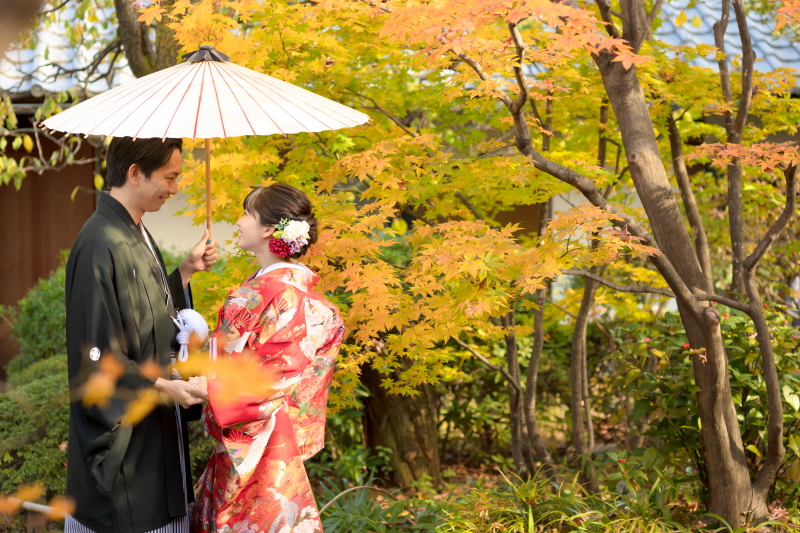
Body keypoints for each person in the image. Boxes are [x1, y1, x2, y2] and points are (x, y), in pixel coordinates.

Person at [64, 136, 217, 533]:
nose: (176, 188)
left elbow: (145, 312)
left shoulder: (136, 232)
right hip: (126, 443)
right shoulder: (99, 241)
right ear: (135, 173)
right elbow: (97, 351)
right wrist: (165, 386)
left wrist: (183, 271)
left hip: (154, 425)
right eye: (170, 177)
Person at [191, 184, 344, 533]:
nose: (239, 221)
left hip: (262, 444)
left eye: (247, 213)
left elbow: (272, 381)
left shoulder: (285, 295)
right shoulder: (274, 290)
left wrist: (206, 387)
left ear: (267, 230)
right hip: (249, 437)